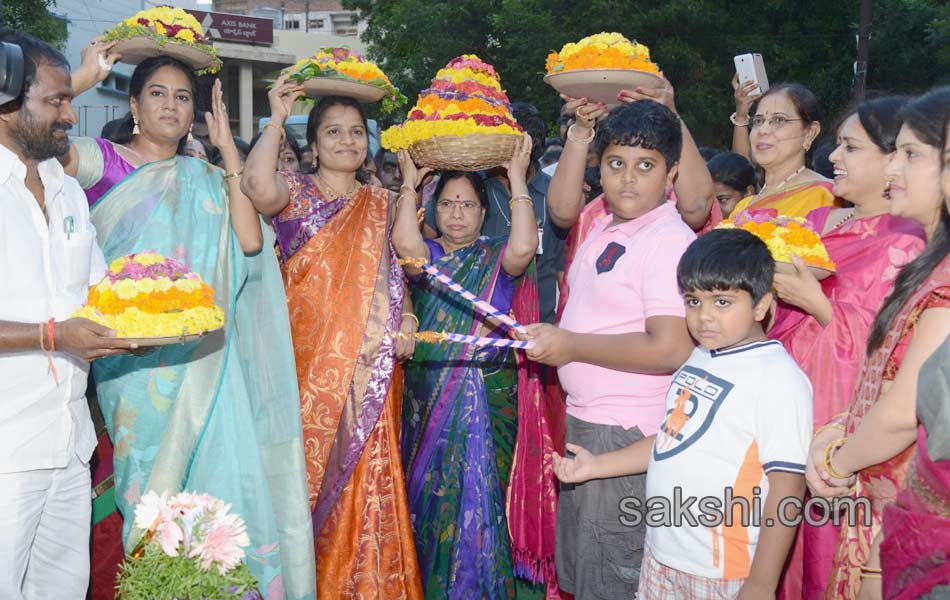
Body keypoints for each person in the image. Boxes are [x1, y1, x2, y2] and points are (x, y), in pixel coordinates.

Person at [63, 46, 316, 599]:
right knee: (148, 494)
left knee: (213, 493)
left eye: (183, 97)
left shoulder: (205, 175)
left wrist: (228, 150)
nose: (171, 106)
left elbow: (250, 242)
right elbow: (26, 143)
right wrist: (78, 82)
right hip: (131, 364)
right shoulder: (100, 160)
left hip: (206, 358)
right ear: (133, 102)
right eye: (157, 93)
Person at [553, 228, 813, 599]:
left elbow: (788, 487)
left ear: (761, 304)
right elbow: (670, 439)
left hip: (722, 572)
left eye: (721, 302)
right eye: (693, 301)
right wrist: (596, 466)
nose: (703, 316)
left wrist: (761, 583)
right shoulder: (699, 358)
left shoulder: (779, 380)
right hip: (662, 556)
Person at [241, 73, 423, 599]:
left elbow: (400, 275)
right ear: (314, 145)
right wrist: (275, 119)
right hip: (302, 368)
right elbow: (256, 187)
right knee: (299, 478)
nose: (347, 141)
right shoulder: (294, 194)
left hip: (371, 368)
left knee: (367, 478)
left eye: (356, 133)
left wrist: (407, 322)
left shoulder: (382, 203)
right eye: (333, 133)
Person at [520, 100, 697, 598]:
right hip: (589, 423)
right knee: (584, 571)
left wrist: (571, 344)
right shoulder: (604, 224)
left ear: (672, 173)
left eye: (646, 166)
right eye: (617, 164)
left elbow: (669, 349)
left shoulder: (668, 240)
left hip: (626, 434)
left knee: (613, 573)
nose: (628, 180)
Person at [768, 96, 926, 600]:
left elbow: (889, 357)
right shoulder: (818, 224)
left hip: (841, 434)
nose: (834, 157)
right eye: (837, 145)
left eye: (850, 147)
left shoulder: (908, 244)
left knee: (820, 555)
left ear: (892, 161)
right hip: (785, 405)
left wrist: (817, 304)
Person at [0, 29, 137, 599]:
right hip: (7, 450)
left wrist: (160, 313)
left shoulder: (68, 191)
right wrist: (56, 335)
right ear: (8, 101)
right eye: (56, 100)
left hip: (70, 444)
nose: (69, 114)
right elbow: (64, 326)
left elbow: (101, 295)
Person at [393, 137, 557, 597]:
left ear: (485, 213)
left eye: (467, 204)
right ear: (433, 209)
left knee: (484, 499)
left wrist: (519, 178)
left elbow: (525, 246)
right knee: (432, 501)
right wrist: (409, 183)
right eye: (447, 203)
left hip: (490, 395)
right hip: (429, 396)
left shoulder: (495, 257)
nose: (457, 213)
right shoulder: (428, 259)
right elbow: (405, 244)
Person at [806, 87, 950, 600]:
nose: (893, 169)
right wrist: (840, 430)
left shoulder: (945, 281)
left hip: (910, 505)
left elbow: (903, 409)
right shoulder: (929, 265)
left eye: (910, 155)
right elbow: (885, 376)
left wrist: (834, 464)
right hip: (885, 492)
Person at [729, 83, 837, 219]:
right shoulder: (742, 207)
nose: (762, 130)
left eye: (779, 120)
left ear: (810, 133)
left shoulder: (823, 195)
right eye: (758, 121)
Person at [707, 151, 757, 219]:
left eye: (723, 200)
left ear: (749, 192)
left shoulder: (770, 223)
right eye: (709, 202)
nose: (714, 210)